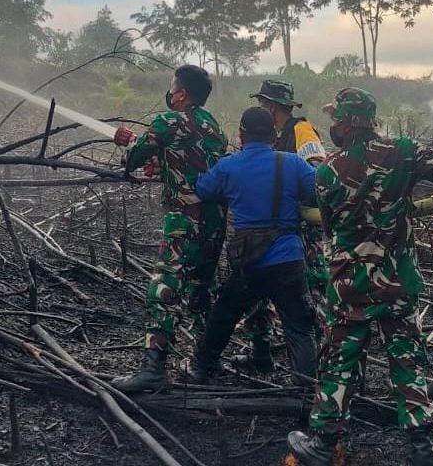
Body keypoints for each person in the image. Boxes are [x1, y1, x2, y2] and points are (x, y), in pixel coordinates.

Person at [287, 88, 433, 466]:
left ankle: (323, 445)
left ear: (347, 122)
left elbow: (329, 226)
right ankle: (422, 447)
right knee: (407, 359)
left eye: (335, 119)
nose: (333, 125)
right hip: (397, 284)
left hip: (348, 286)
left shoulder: (327, 171)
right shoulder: (403, 151)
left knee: (340, 359)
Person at [110, 65, 228, 393]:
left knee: (164, 286)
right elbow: (185, 159)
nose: (170, 92)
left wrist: (127, 147)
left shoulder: (170, 120)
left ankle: (154, 368)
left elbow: (135, 157)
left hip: (185, 218)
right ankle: (207, 362)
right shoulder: (213, 125)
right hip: (215, 220)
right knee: (202, 290)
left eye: (172, 87)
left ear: (182, 93)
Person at [185, 106, 318, 386]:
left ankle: (200, 368)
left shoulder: (228, 166)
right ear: (273, 134)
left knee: (224, 313)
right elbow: (319, 194)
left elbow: (201, 191)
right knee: (299, 328)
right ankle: (308, 394)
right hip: (289, 259)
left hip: (250, 261)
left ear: (241, 135)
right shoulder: (293, 164)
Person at [235, 80, 328, 372]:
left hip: (300, 232)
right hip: (269, 231)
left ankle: (319, 364)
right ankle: (260, 353)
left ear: (272, 106)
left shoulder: (302, 131)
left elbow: (318, 178)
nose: (262, 109)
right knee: (258, 293)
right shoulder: (270, 138)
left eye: (263, 104)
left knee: (309, 295)